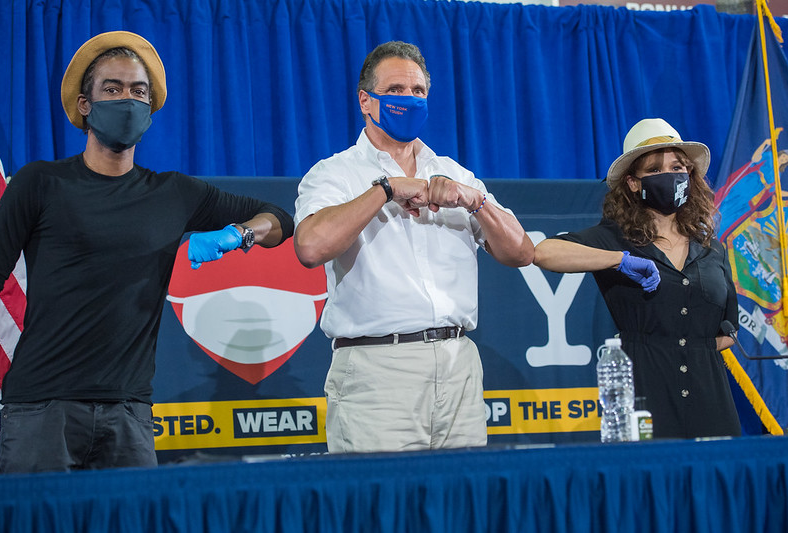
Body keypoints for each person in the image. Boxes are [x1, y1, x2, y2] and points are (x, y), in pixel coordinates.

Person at [0, 31, 293, 473]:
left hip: (129, 414)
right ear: (84, 105)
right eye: (111, 89)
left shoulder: (173, 193)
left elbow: (279, 219)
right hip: (41, 409)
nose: (126, 99)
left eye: (138, 91)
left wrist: (238, 236)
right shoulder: (41, 183)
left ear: (149, 111)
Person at [293, 41, 535, 453]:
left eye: (418, 91)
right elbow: (311, 247)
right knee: (381, 511)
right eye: (396, 90)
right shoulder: (334, 174)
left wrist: (474, 201)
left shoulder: (455, 175)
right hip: (377, 371)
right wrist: (385, 190)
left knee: (463, 506)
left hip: (458, 365)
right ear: (366, 101)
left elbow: (521, 252)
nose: (409, 99)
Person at [534, 118, 741, 439]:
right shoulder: (615, 238)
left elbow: (728, 332)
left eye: (678, 166)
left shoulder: (712, 248)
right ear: (632, 183)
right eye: (655, 170)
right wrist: (618, 260)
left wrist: (685, 345)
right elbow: (544, 252)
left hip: (711, 401)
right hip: (645, 399)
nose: (670, 175)